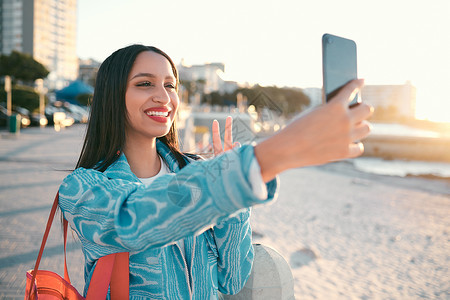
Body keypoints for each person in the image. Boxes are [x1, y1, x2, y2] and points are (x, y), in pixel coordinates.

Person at [58, 44, 373, 299]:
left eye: (170, 85)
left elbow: (233, 278)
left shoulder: (196, 172)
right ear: (113, 95)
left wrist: (232, 198)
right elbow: (138, 221)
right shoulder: (83, 188)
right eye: (145, 84)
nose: (164, 96)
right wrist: (274, 154)